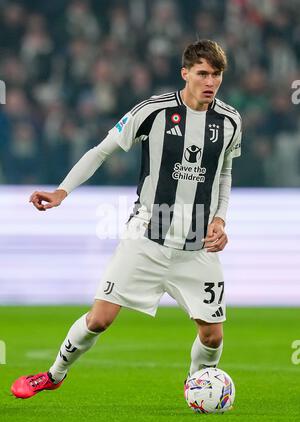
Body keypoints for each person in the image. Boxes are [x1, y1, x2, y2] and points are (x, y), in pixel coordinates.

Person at [11, 39, 242, 399]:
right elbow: (101, 150)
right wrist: (62, 191)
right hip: (145, 240)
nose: (210, 82)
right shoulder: (152, 111)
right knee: (99, 319)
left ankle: (198, 386)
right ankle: (54, 374)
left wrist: (220, 220)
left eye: (216, 75)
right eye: (202, 74)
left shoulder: (229, 121)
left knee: (212, 335)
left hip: (197, 247)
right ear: (185, 74)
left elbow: (224, 173)